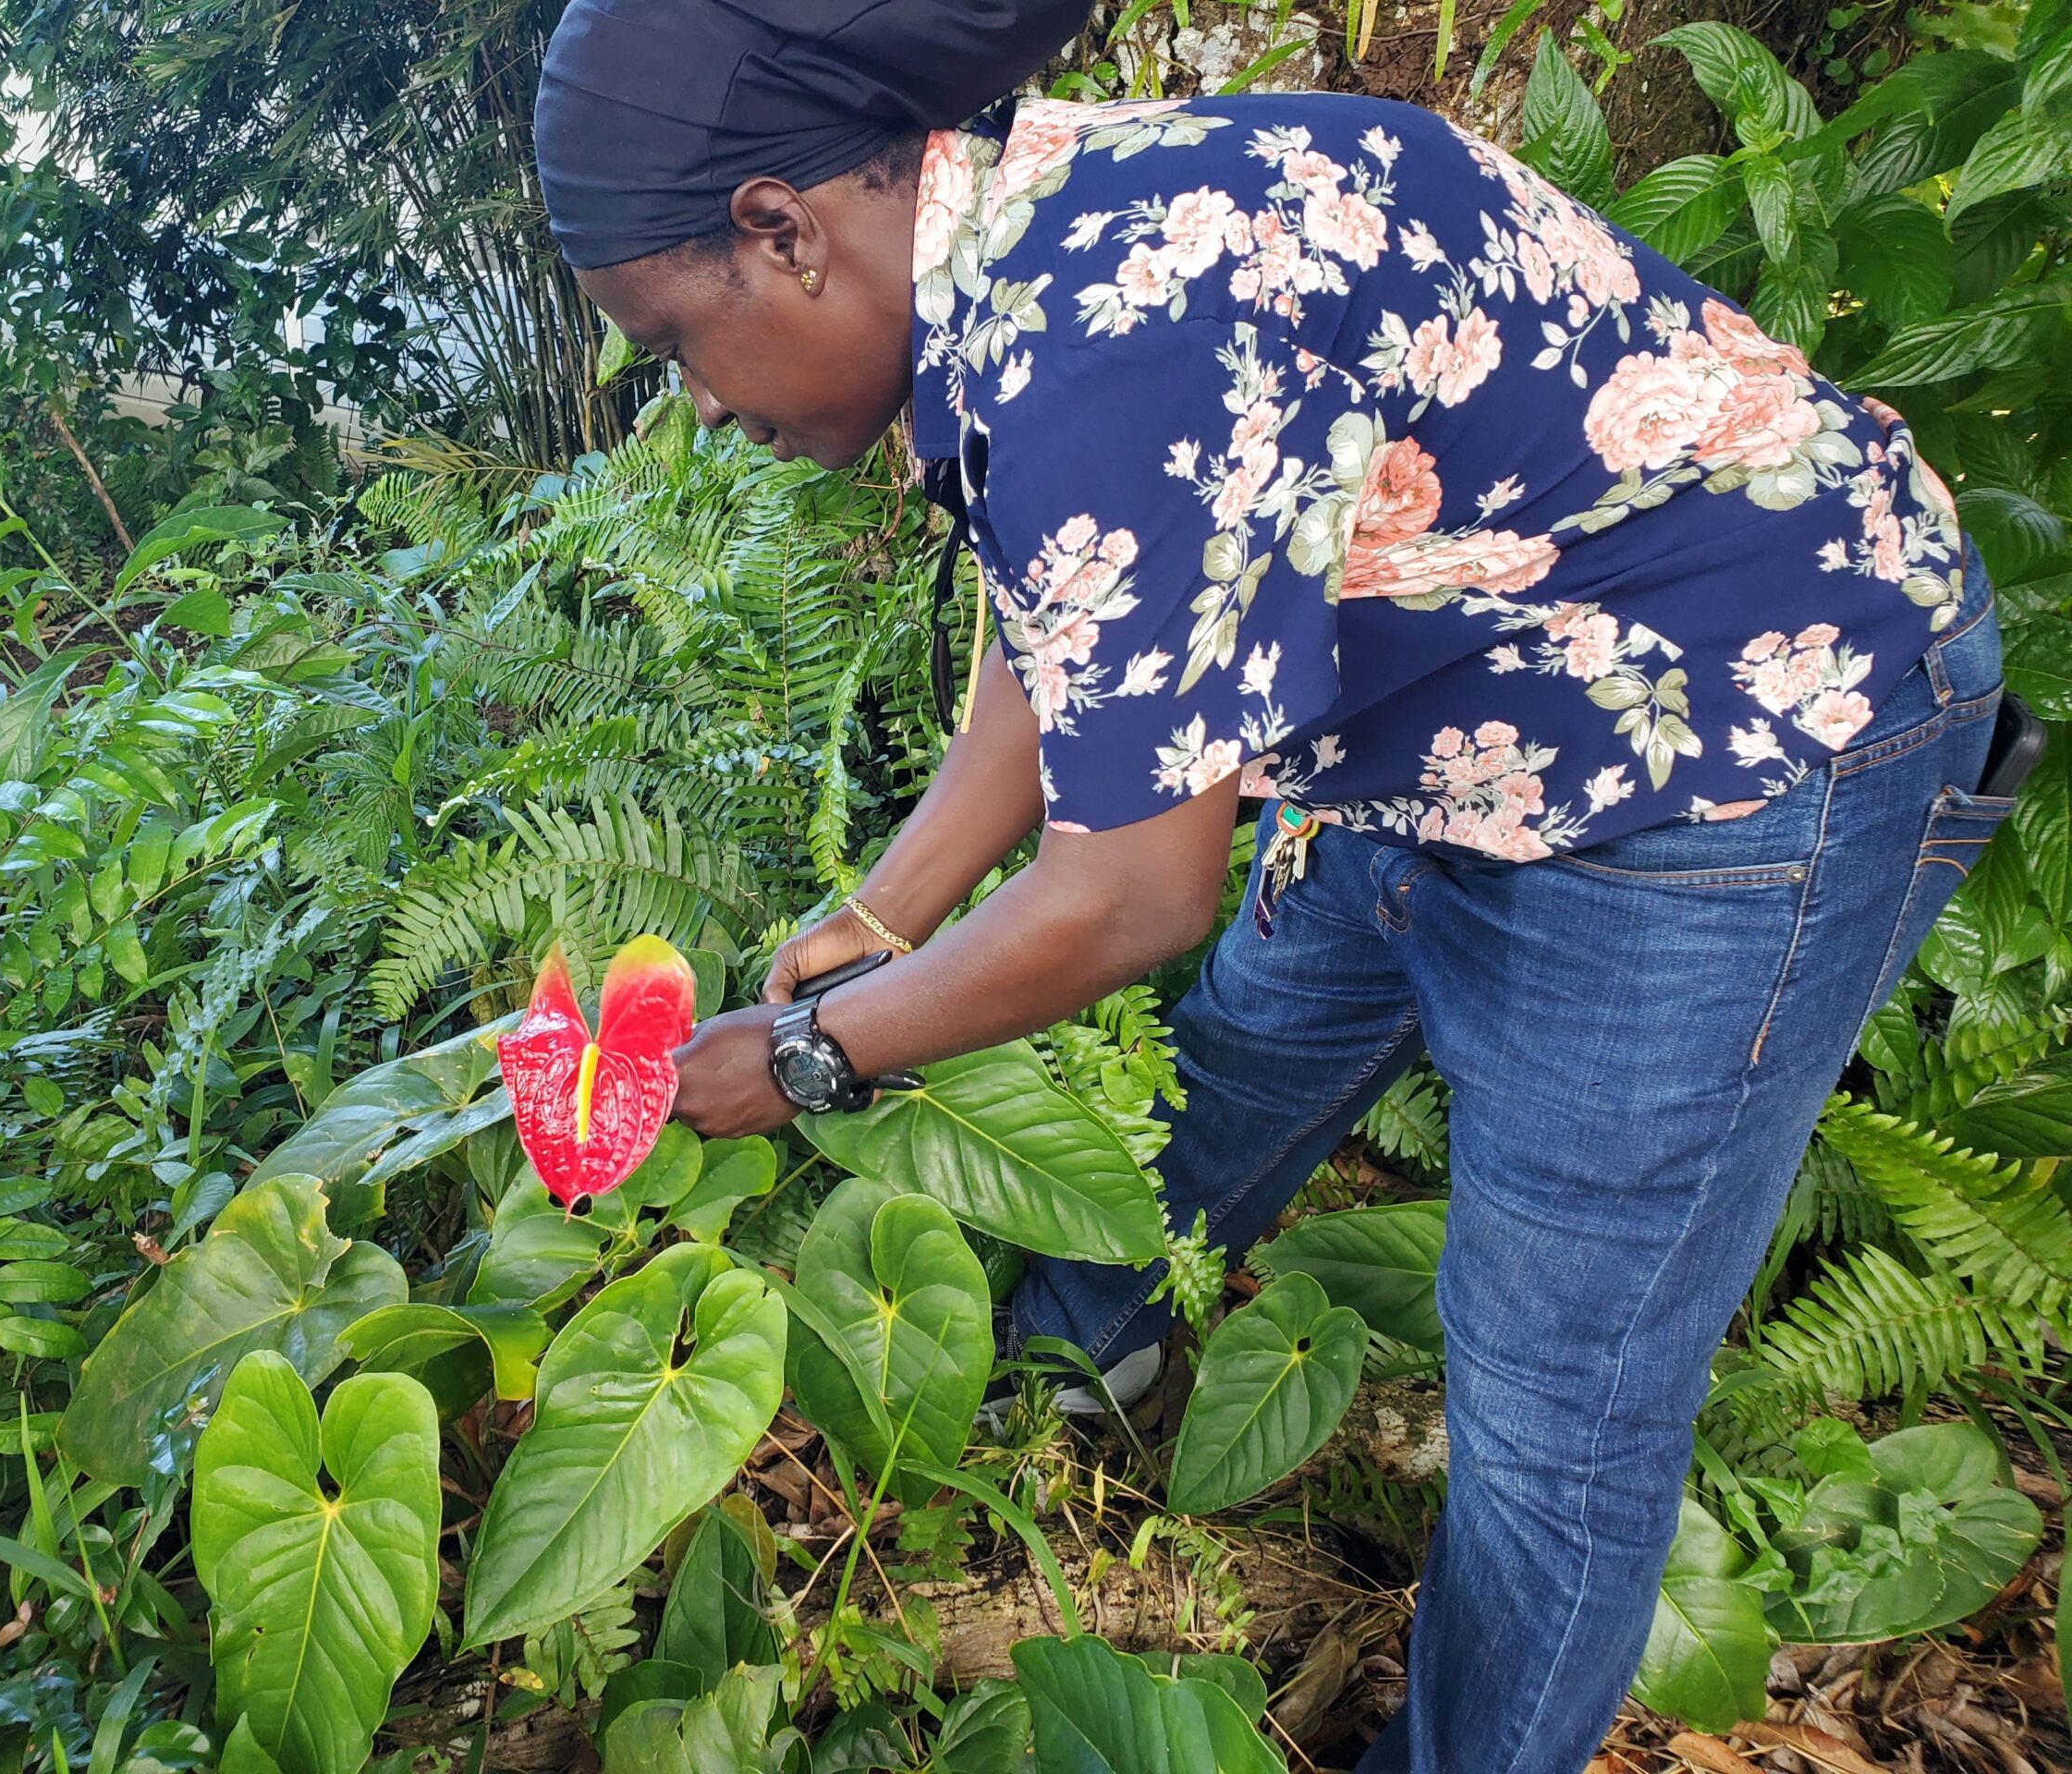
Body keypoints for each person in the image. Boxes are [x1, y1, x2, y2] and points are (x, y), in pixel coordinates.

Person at [533, 3, 2013, 1767]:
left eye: (678, 344)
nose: (697, 406)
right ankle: (1059, 1372)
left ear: (783, 229)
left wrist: (805, 1057)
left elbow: (1131, 897)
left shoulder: (1104, 327)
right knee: (1239, 1057)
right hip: (1454, 708)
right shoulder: (1023, 220)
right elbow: (1082, 601)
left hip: (1736, 733)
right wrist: (885, 912)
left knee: (1559, 1405)